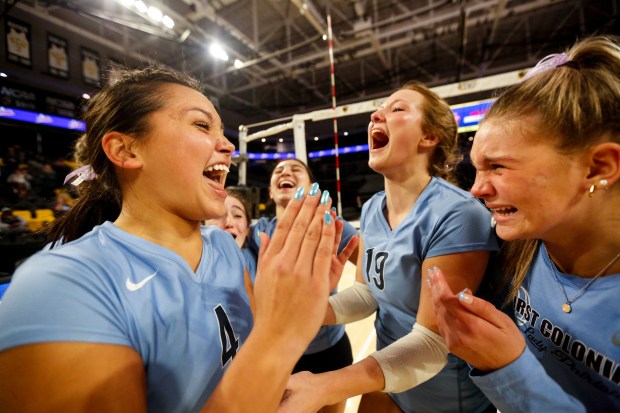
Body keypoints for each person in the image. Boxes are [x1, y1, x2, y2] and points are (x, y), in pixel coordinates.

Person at [0, 66, 351, 413]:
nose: (228, 145)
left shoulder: (226, 249)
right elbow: (267, 351)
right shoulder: (62, 285)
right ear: (125, 150)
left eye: (223, 132)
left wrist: (297, 314)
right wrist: (280, 336)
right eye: (201, 125)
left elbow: (254, 371)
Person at [279, 81, 499, 413]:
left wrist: (325, 384)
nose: (375, 115)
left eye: (396, 109)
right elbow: (367, 293)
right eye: (379, 109)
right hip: (388, 387)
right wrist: (310, 312)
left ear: (429, 137)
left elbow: (431, 343)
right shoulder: (371, 208)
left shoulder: (458, 214)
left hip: (444, 401)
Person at [427, 35, 620, 412]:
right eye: (477, 169)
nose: (477, 190)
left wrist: (508, 370)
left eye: (497, 166)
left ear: (598, 167)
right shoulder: (518, 248)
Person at [246, 158, 359, 413]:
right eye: (279, 171)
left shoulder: (331, 223)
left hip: (329, 349)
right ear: (271, 192)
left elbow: (374, 273)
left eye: (296, 169)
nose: (286, 171)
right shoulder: (256, 232)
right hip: (278, 355)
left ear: (311, 189)